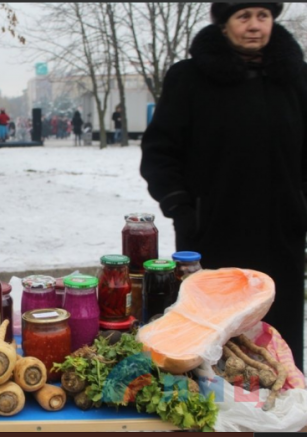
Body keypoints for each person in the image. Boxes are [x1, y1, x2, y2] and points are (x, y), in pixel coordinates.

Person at [139, 3, 306, 371]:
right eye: (243, 17)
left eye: (262, 16)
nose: (254, 26)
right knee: (217, 343)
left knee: (281, 346)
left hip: (282, 235)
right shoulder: (190, 78)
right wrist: (183, 208)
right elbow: (159, 152)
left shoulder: (295, 78)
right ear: (224, 24)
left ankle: (285, 415)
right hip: (214, 235)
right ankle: (216, 419)